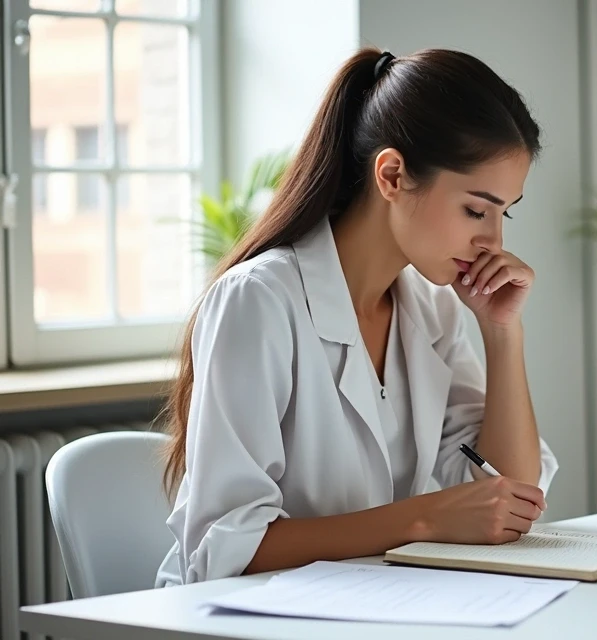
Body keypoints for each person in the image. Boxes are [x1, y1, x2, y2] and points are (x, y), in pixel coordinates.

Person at [154, 47, 559, 588]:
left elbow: (505, 498)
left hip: (376, 605)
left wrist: (502, 333)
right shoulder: (258, 300)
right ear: (392, 175)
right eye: (474, 210)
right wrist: (422, 520)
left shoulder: (432, 307)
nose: (493, 241)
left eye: (502, 213)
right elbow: (226, 547)